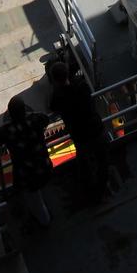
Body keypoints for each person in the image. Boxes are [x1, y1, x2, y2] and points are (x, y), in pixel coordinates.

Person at [48, 61, 108, 202]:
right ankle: (101, 190)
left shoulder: (58, 96)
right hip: (96, 129)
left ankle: (89, 193)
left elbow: (52, 106)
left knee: (84, 165)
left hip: (81, 137)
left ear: (54, 80)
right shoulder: (81, 86)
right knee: (102, 161)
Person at [0, 97, 53, 227]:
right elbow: (46, 119)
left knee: (34, 200)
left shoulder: (7, 131)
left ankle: (44, 221)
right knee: (37, 190)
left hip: (26, 176)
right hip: (44, 166)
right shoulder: (36, 119)